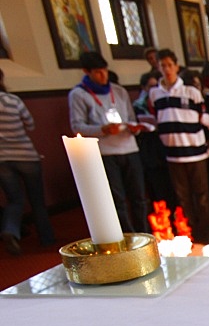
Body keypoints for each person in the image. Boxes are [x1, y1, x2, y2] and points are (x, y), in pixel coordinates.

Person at [68, 51, 149, 233]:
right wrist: (103, 129)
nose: (103, 75)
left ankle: (144, 234)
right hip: (106, 152)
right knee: (117, 199)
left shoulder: (118, 91)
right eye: (97, 72)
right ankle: (128, 236)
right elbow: (77, 126)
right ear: (86, 72)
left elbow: (130, 117)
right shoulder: (79, 95)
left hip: (129, 148)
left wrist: (134, 127)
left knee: (139, 197)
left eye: (104, 70)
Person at [150, 49, 209, 242]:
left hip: (196, 152)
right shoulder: (155, 94)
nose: (167, 69)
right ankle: (189, 232)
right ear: (158, 67)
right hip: (173, 154)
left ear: (177, 66)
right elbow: (156, 119)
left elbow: (205, 119)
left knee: (201, 194)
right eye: (163, 66)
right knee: (182, 196)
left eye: (170, 65)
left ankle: (205, 232)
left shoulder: (192, 93)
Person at [0, 67, 55, 255]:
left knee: (15, 200)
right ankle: (47, 238)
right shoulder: (13, 101)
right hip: (25, 154)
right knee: (37, 200)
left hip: (2, 158)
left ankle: (10, 230)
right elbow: (30, 123)